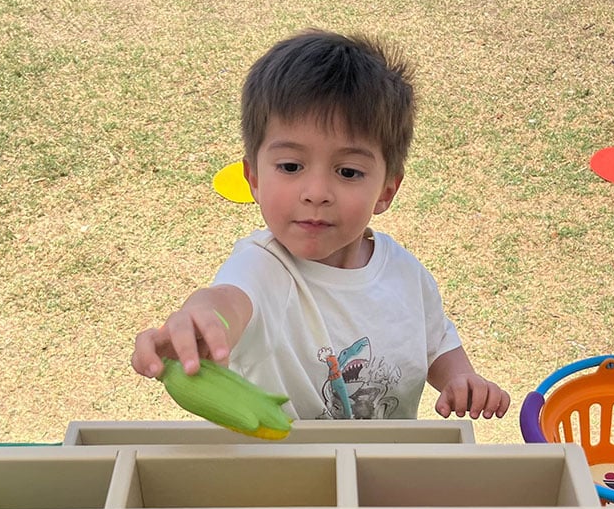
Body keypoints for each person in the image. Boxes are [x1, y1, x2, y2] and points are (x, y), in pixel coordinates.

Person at [131, 29, 510, 421]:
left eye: (347, 171)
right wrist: (202, 318)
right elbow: (229, 302)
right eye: (291, 166)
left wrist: (461, 377)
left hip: (384, 472)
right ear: (254, 178)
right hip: (282, 475)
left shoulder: (406, 276)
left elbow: (435, 343)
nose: (316, 192)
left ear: (386, 190)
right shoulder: (262, 267)